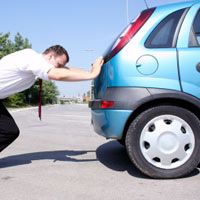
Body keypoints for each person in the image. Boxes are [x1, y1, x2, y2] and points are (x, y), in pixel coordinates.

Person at [0, 45, 104, 153]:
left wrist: (89, 71)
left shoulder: (35, 62)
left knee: (9, 131)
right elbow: (57, 74)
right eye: (58, 64)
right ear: (50, 56)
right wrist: (92, 75)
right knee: (8, 131)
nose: (59, 68)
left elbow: (66, 69)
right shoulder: (32, 58)